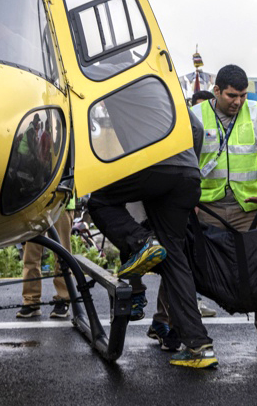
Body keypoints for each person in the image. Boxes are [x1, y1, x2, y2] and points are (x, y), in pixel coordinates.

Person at [87, 90, 215, 369]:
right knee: (174, 258)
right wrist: (187, 164)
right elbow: (196, 127)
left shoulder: (118, 81)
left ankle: (142, 243)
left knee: (99, 200)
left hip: (154, 167)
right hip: (188, 174)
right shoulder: (161, 87)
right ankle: (198, 346)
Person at [191, 64, 257, 355]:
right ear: (217, 91)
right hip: (206, 207)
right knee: (187, 265)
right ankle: (170, 325)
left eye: (243, 95)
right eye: (232, 95)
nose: (238, 101)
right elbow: (182, 159)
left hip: (249, 208)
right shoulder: (195, 116)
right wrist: (188, 199)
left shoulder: (256, 112)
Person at [17, 204, 74, 319]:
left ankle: (63, 299)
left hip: (62, 202)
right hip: (35, 204)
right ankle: (31, 301)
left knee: (62, 255)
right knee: (30, 256)